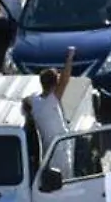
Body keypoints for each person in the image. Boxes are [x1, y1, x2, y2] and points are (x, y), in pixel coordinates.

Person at [25, 47, 75, 176]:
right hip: (60, 153)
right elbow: (65, 79)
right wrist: (69, 57)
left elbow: (26, 101)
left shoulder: (34, 101)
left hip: (47, 153)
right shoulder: (52, 101)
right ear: (55, 84)